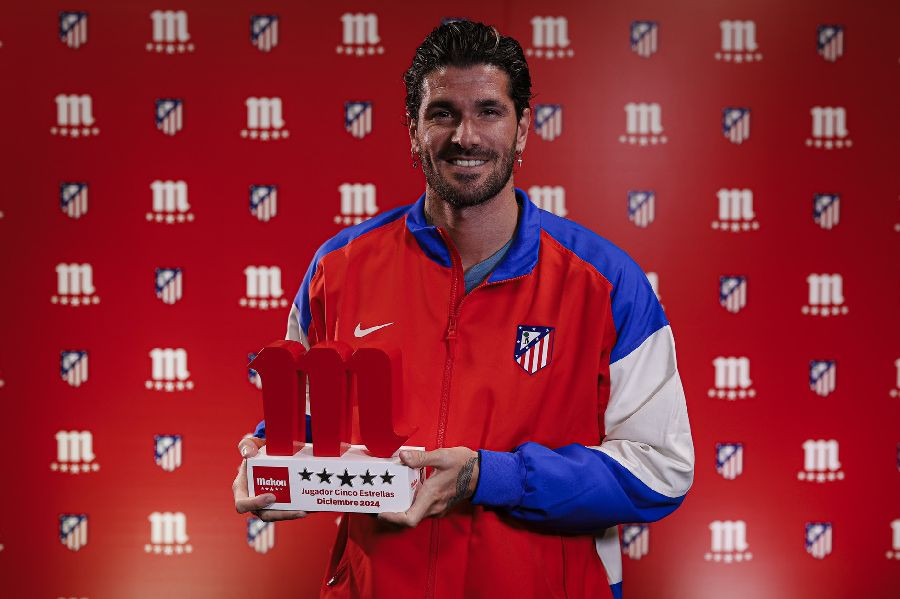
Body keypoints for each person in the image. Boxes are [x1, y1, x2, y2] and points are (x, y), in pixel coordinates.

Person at [233, 20, 693, 599]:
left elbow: (661, 470)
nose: (465, 136)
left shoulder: (607, 283)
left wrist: (489, 476)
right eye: (443, 113)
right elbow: (306, 422)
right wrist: (271, 463)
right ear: (414, 131)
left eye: (489, 112)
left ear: (523, 129)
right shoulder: (338, 268)